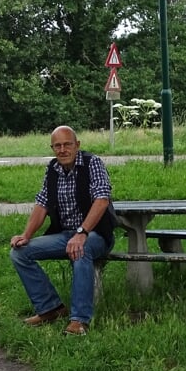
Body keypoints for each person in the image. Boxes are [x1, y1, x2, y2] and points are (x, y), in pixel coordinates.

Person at [10, 126, 116, 335]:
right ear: (52, 148)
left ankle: (79, 320)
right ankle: (51, 308)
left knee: (80, 249)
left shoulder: (91, 163)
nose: (62, 150)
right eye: (57, 146)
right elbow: (42, 205)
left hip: (95, 235)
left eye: (67, 144)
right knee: (19, 253)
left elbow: (102, 200)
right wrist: (26, 235)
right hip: (64, 235)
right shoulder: (53, 169)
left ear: (77, 145)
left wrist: (82, 233)